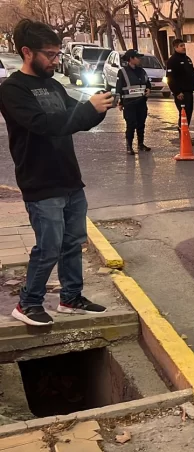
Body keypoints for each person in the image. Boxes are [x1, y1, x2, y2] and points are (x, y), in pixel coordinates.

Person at [0, 19, 112, 326]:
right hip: (40, 181)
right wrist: (88, 109)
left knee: (72, 242)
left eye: (57, 53)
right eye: (49, 54)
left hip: (69, 179)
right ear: (27, 52)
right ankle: (28, 303)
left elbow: (77, 117)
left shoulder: (52, 84)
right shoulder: (12, 91)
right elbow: (45, 125)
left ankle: (71, 298)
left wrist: (101, 106)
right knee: (48, 247)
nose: (55, 59)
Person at [116, 49, 152, 155]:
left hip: (141, 102)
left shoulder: (141, 71)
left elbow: (147, 83)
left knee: (141, 124)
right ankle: (129, 146)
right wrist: (120, 102)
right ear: (131, 59)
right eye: (137, 57)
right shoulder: (122, 72)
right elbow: (119, 88)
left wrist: (149, 89)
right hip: (129, 103)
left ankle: (141, 144)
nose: (139, 59)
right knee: (131, 125)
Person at [165, 39, 194, 134]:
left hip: (189, 91)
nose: (183, 47)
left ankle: (185, 133)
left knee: (188, 113)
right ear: (175, 47)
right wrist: (177, 92)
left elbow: (190, 72)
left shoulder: (187, 59)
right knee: (184, 114)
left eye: (184, 45)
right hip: (181, 93)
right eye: (181, 46)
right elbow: (170, 78)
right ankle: (183, 134)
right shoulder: (172, 61)